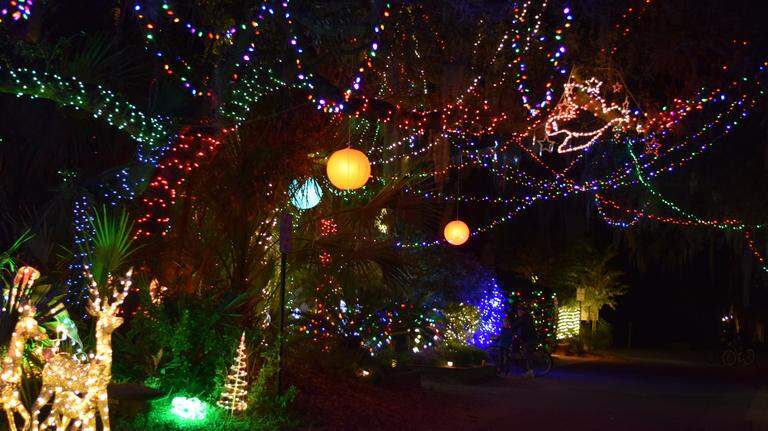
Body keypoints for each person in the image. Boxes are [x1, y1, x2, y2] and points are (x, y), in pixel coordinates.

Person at [509, 307, 537, 378]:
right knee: (527, 354)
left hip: (528, 339)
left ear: (522, 312)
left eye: (519, 311)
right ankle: (529, 371)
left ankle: (530, 372)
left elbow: (517, 324)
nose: (518, 313)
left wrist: (511, 326)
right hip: (527, 338)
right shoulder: (526, 317)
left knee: (528, 355)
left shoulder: (524, 318)